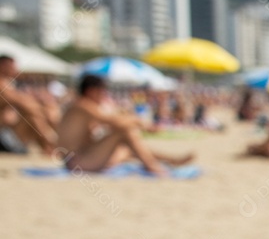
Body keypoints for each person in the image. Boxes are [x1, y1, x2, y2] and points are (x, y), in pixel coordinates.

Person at [56, 75, 193, 177]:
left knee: (128, 148)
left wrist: (131, 119)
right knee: (125, 131)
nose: (104, 95)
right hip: (77, 162)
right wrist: (142, 123)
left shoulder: (84, 107)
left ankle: (171, 160)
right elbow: (116, 122)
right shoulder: (83, 105)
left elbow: (113, 119)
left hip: (84, 158)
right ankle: (153, 167)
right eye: (102, 91)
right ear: (91, 91)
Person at [0, 55, 57, 153]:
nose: (16, 69)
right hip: (4, 133)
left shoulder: (8, 84)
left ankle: (49, 146)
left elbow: (21, 100)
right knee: (33, 116)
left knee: (44, 111)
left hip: (10, 132)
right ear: (2, 65)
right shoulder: (3, 86)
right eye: (12, 66)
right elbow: (21, 102)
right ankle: (51, 144)